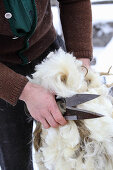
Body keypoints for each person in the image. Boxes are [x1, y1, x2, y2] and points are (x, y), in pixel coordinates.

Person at [0, 0, 92, 169]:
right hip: (3, 76)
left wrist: (81, 60)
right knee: (15, 160)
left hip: (48, 54)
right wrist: (24, 91)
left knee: (73, 152)